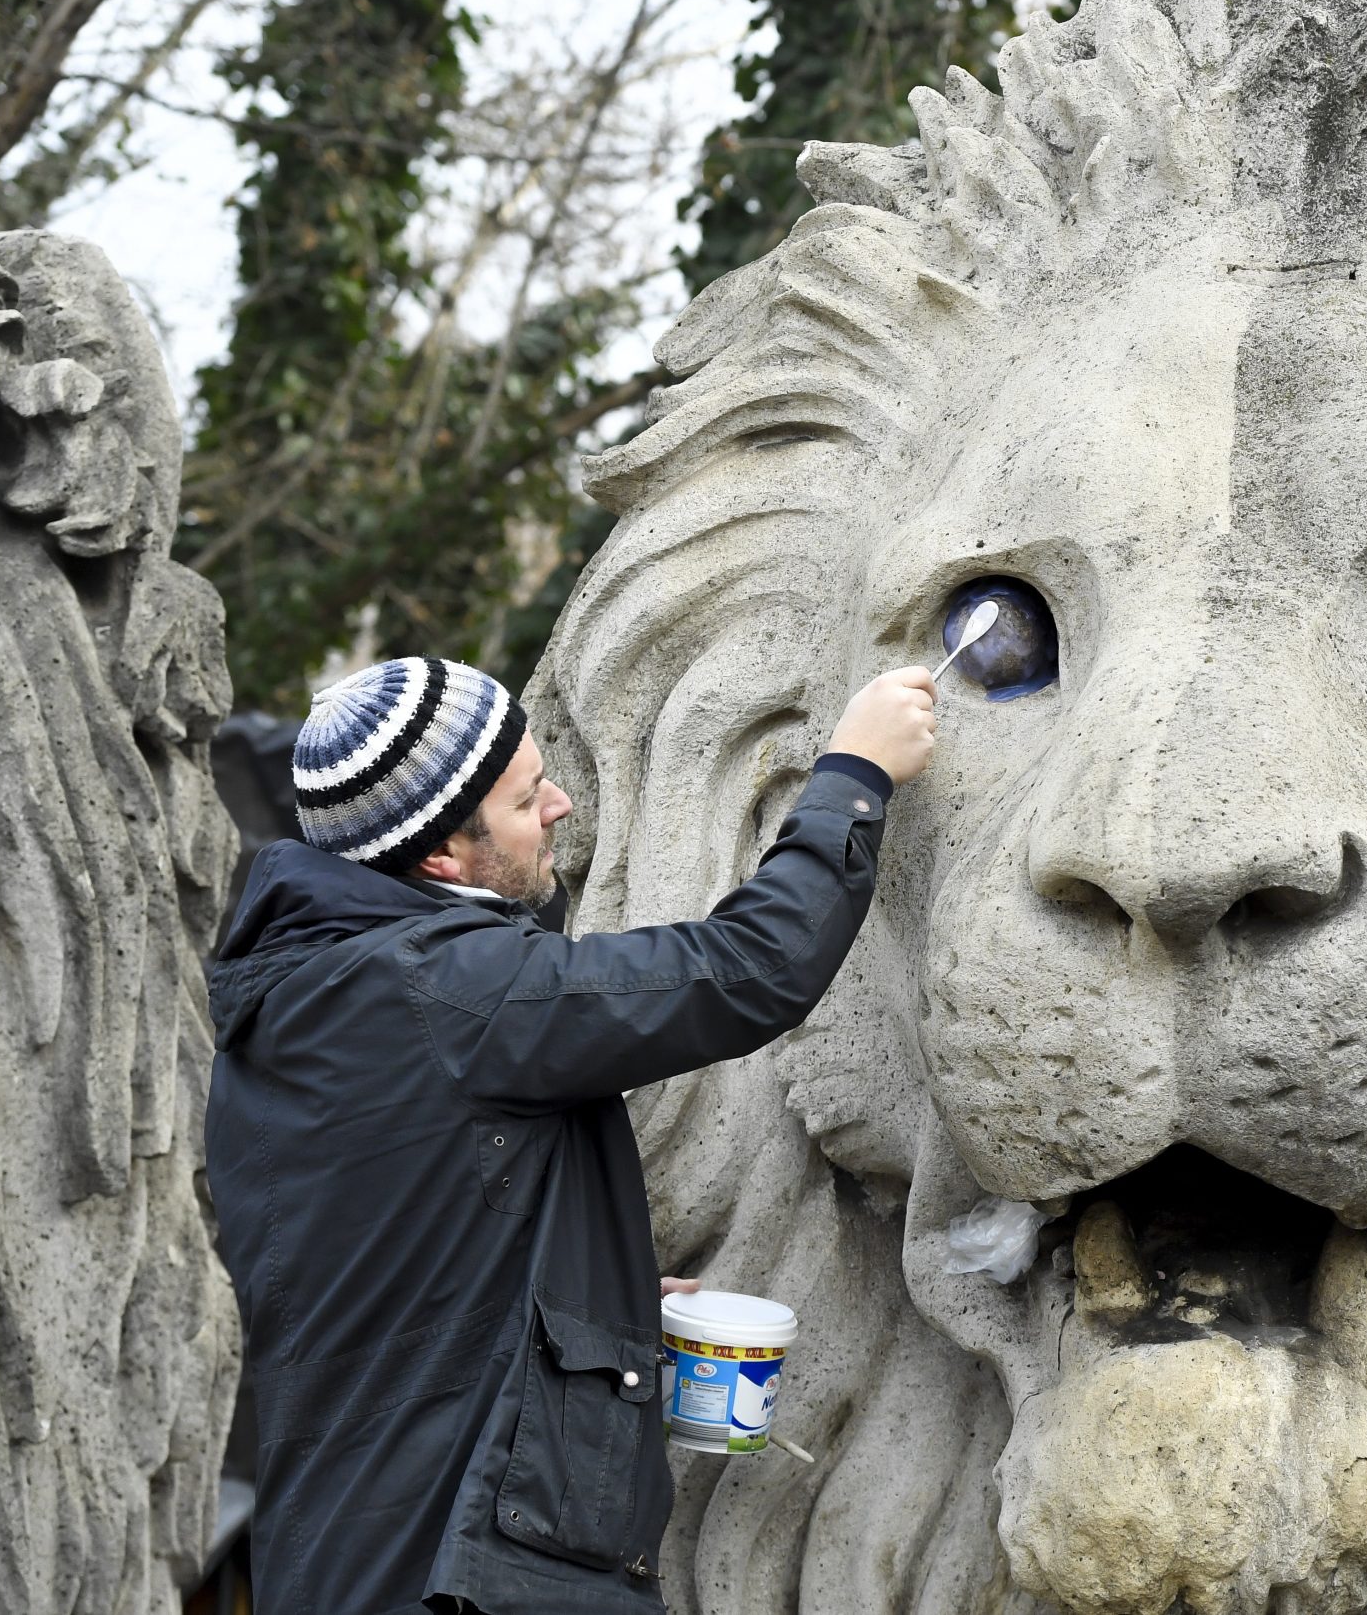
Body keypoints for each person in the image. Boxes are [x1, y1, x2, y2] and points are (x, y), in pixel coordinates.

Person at [205, 656, 936, 1614]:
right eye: (522, 799)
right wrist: (853, 774)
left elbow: (407, 1271)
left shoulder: (302, 1006)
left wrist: (596, 1304)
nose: (557, 804)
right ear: (439, 858)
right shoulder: (446, 986)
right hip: (463, 1581)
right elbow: (748, 969)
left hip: (352, 1562)